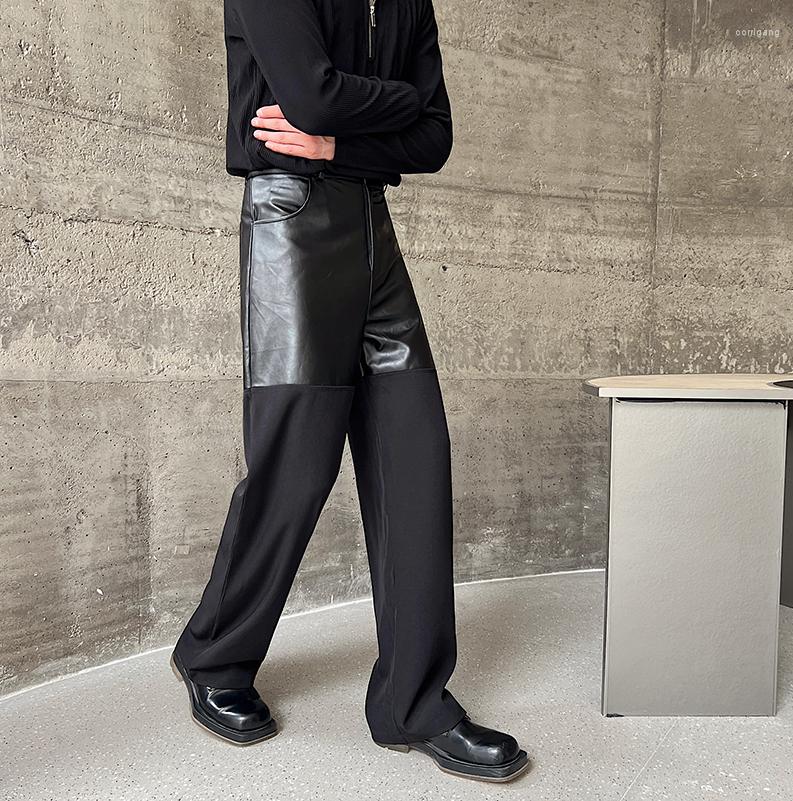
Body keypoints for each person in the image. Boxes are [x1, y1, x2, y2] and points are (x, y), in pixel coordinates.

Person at [171, 0, 529, 783]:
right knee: (297, 463)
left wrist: (341, 139)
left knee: (415, 453)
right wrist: (395, 102)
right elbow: (313, 96)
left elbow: (436, 137)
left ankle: (413, 702)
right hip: (293, 221)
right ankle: (214, 655)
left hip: (372, 227)